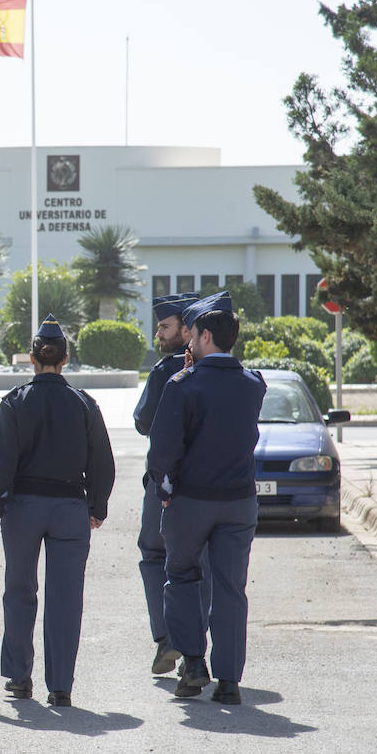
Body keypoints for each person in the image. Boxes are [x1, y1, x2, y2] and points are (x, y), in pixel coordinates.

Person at [0, 313, 115, 707]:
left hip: (22, 508)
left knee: (20, 591)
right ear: (66, 358)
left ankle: (20, 678)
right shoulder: (84, 403)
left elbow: (1, 463)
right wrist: (97, 507)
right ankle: (61, 686)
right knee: (65, 597)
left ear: (32, 358)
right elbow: (103, 462)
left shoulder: (15, 402)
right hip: (70, 507)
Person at [147, 291, 266, 705]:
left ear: (206, 336)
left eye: (193, 334)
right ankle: (230, 681)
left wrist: (164, 490)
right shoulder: (254, 384)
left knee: (181, 577)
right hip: (238, 502)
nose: (188, 341)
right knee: (231, 588)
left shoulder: (184, 385)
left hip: (191, 502)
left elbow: (163, 450)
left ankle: (195, 664)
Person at [132, 292, 200, 677]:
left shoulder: (164, 372)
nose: (158, 335)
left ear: (187, 330)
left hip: (165, 484)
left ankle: (166, 638)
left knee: (155, 555)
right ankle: (196, 652)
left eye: (164, 327)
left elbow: (143, 422)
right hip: (212, 487)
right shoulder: (224, 370)